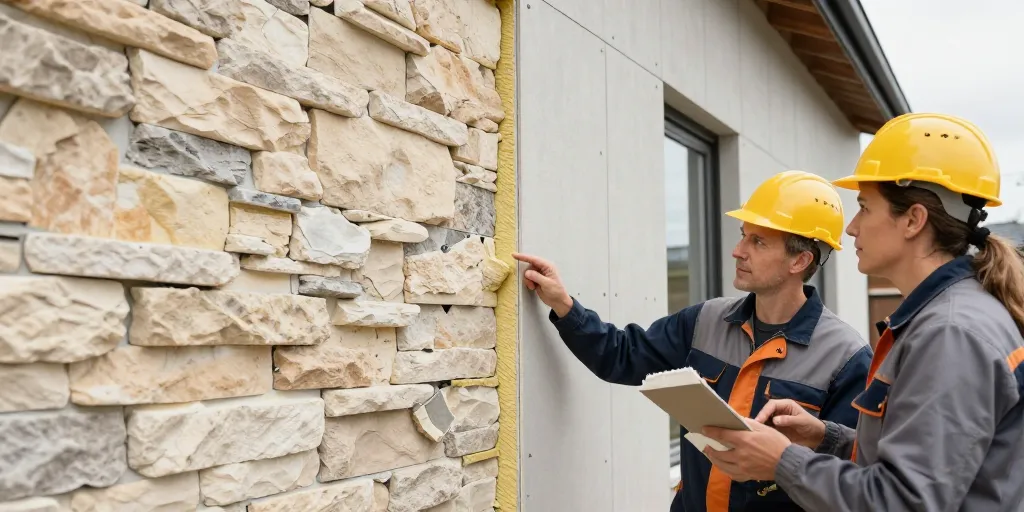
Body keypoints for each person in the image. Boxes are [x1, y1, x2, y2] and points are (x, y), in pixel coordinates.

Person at [700, 113, 1024, 511]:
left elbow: (904, 501)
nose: (851, 228)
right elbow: (930, 466)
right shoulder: (950, 318)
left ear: (913, 219)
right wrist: (827, 438)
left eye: (865, 208)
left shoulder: (950, 334)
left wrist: (781, 461)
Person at [513, 170, 873, 512]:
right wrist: (564, 305)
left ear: (800, 260)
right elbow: (620, 356)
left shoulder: (844, 356)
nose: (738, 251)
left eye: (757, 241)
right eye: (743, 235)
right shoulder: (706, 321)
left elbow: (848, 478)